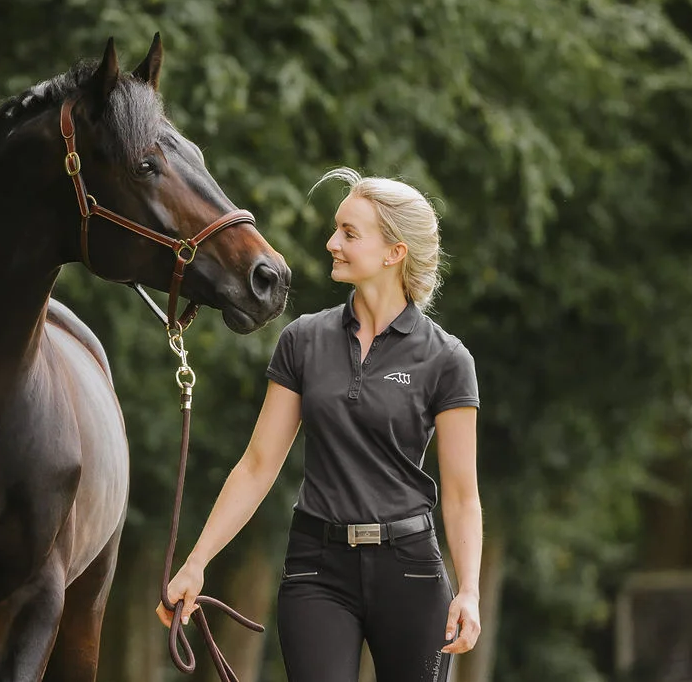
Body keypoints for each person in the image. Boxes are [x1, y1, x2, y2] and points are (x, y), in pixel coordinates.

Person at [156, 167, 482, 682]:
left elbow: (463, 495)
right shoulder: (303, 341)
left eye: (350, 234)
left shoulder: (446, 359)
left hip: (411, 571)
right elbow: (258, 464)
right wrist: (197, 561)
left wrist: (469, 589)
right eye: (336, 229)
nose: (332, 243)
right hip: (316, 569)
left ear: (394, 252)